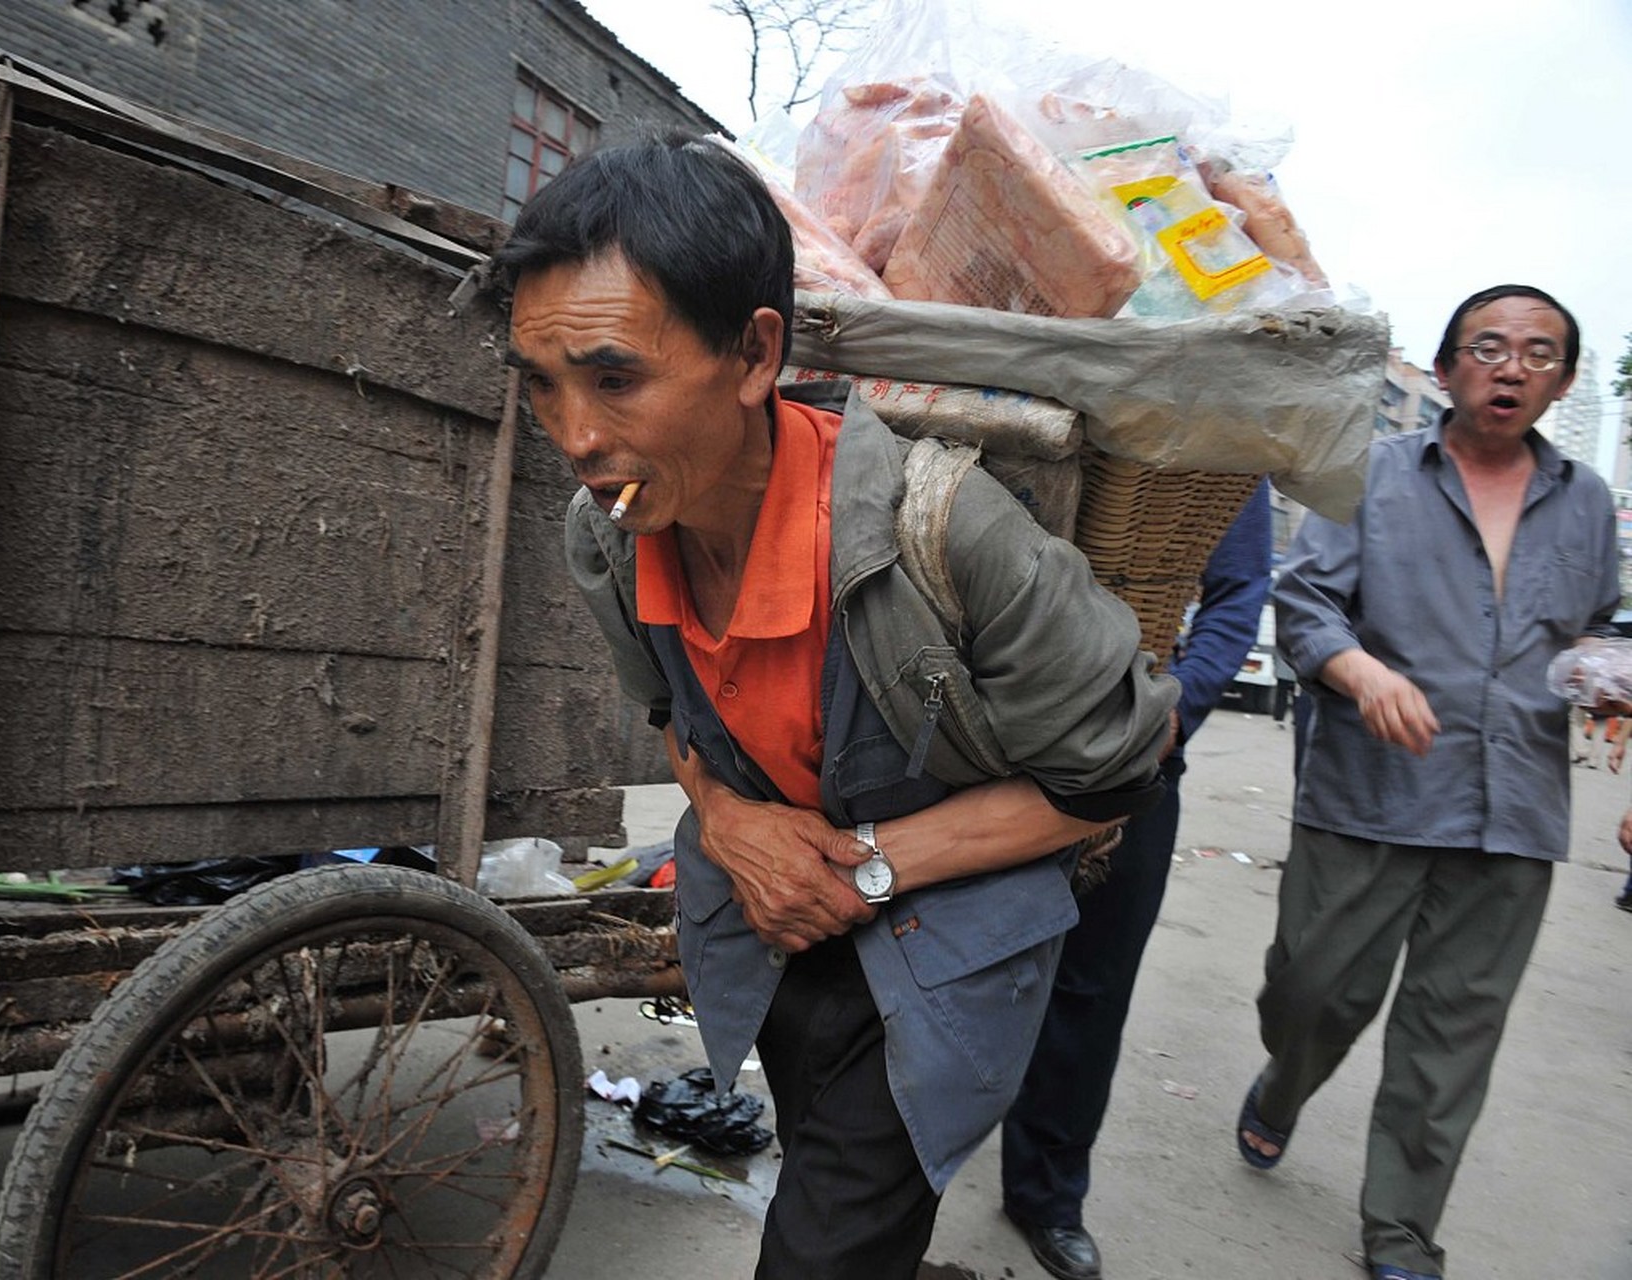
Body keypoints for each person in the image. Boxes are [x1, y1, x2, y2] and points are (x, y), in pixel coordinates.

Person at [492, 134, 1177, 1279]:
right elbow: (671, 710)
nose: (573, 437)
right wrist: (732, 819)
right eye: (541, 383)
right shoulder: (608, 536)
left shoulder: (944, 533)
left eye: (614, 377)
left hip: (945, 928)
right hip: (778, 927)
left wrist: (862, 864)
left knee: (820, 1248)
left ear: (756, 352)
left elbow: (1114, 769)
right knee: (829, 1179)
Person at [1243, 284, 1618, 1280]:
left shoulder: (1583, 501)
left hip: (1513, 813)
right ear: (1447, 366)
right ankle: (1283, 1080)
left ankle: (1400, 1226)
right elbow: (1306, 599)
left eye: (1536, 353)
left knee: (1451, 1033)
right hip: (1370, 794)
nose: (1509, 366)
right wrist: (1359, 671)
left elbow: (1595, 626)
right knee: (1313, 991)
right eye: (1486, 346)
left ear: (1563, 381)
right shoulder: (1369, 473)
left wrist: (1600, 669)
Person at [1000, 482, 1271, 1280]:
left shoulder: (1223, 452)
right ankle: (895, 1168)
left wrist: (1175, 709)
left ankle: (1046, 1194)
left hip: (1136, 752)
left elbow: (1237, 590)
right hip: (996, 737)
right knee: (942, 960)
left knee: (1089, 987)